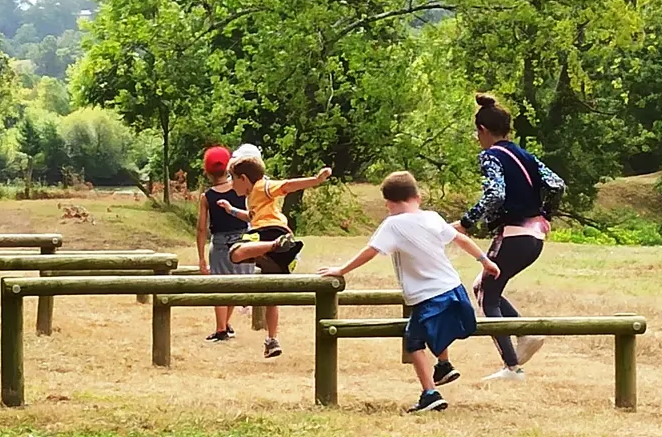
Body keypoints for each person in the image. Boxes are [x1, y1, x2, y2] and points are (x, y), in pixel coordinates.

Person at [319, 171, 500, 413]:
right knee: (435, 327)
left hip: (428, 295)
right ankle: (443, 365)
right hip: (454, 288)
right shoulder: (433, 217)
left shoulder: (392, 224)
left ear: (388, 204)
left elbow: (370, 251)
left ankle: (430, 393)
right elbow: (461, 239)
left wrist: (341, 269)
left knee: (414, 341)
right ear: (418, 197)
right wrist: (485, 261)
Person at [455, 93, 566, 381]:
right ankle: (525, 334)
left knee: (485, 293)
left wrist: (466, 222)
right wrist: (545, 215)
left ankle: (512, 366)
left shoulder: (490, 155)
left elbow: (496, 193)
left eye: (476, 133)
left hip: (514, 234)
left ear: (482, 130)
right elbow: (557, 184)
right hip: (534, 238)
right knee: (486, 287)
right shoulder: (524, 154)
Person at [217, 156, 332, 358]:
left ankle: (275, 246)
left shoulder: (262, 186)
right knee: (272, 293)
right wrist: (232, 210)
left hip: (271, 232)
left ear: (243, 178)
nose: (230, 182)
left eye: (232, 177)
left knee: (235, 253)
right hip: (276, 243)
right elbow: (251, 216)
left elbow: (287, 186)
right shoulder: (252, 197)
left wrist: (316, 179)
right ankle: (272, 340)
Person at [196, 146, 253, 342]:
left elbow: (201, 228)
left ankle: (221, 328)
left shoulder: (207, 196)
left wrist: (202, 257)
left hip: (219, 243)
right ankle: (225, 325)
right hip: (242, 241)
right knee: (236, 284)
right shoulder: (242, 188)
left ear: (207, 171)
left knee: (219, 284)